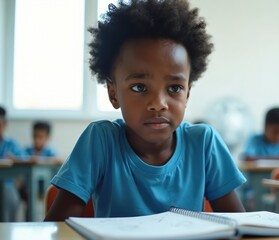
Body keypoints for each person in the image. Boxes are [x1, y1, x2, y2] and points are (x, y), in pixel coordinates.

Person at [45, 0, 246, 221]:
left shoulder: (204, 144)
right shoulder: (101, 142)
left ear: (187, 93)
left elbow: (242, 226)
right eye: (139, 87)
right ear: (113, 93)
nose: (158, 103)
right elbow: (57, 229)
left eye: (175, 88)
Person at [0, 106, 26, 221]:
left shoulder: (12, 144)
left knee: (7, 192)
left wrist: (15, 159)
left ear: (4, 125)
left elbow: (25, 162)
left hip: (8, 186)